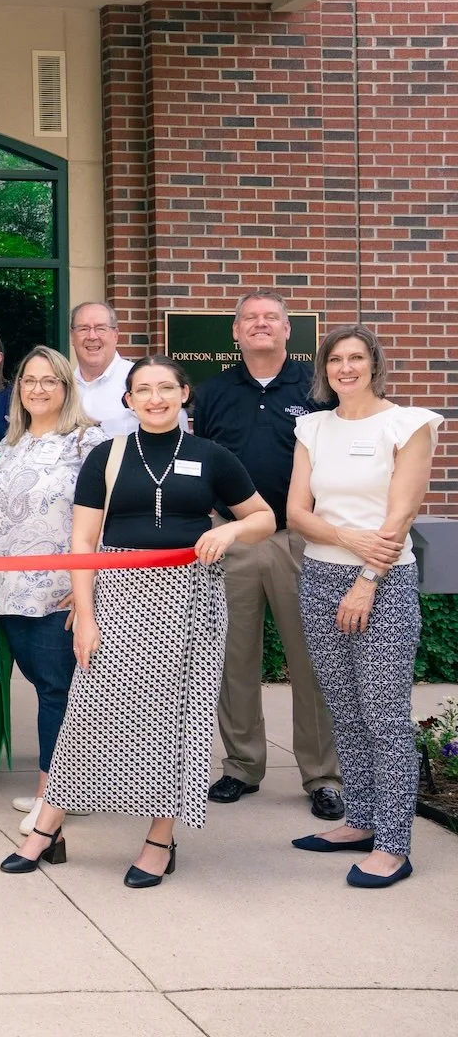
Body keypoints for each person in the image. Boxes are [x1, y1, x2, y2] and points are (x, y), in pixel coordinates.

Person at [6, 357, 273, 887]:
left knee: (178, 721)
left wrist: (229, 534)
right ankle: (50, 825)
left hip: (191, 597)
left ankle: (160, 837)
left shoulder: (211, 456)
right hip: (120, 595)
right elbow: (83, 542)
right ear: (127, 400)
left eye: (165, 388)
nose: (155, 398)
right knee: (89, 715)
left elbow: (264, 517)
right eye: (143, 390)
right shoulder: (106, 455)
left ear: (183, 394)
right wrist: (85, 615)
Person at [287, 326, 441, 887]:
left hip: (384, 581)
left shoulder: (409, 424)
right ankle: (361, 819)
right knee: (345, 710)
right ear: (324, 369)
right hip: (321, 575)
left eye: (356, 358)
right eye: (335, 360)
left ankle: (395, 845)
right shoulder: (313, 426)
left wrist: (367, 577)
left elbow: (399, 516)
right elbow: (296, 512)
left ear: (373, 365)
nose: (345, 368)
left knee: (383, 714)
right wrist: (349, 542)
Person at [194, 291, 343, 820]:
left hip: (299, 541)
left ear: (287, 330)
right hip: (232, 540)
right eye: (250, 319)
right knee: (235, 661)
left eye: (271, 318)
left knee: (311, 660)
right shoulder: (212, 393)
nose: (261, 325)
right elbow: (201, 461)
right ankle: (241, 766)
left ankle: (323, 774)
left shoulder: (316, 388)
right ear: (235, 332)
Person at [0, 347, 105, 833]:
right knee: (43, 683)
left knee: (57, 690)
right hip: (11, 588)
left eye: (49, 380)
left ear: (66, 387)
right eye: (29, 381)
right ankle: (68, 783)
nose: (37, 389)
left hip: (61, 590)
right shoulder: (10, 444)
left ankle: (50, 794)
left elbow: (107, 516)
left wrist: (89, 585)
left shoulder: (87, 442)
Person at [70, 301, 137, 438]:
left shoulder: (139, 381)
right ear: (72, 336)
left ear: (115, 335)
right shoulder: (62, 387)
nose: (92, 336)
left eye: (100, 328)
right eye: (83, 329)